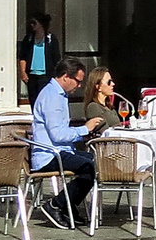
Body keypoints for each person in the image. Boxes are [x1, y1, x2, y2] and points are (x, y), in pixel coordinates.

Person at [30, 58, 107, 229]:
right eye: (78, 81)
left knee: (96, 160)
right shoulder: (52, 97)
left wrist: (83, 135)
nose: (79, 86)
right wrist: (84, 129)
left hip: (59, 150)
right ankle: (56, 204)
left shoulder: (58, 94)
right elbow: (58, 135)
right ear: (65, 77)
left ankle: (68, 206)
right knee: (88, 166)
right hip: (48, 155)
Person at [19, 16, 61, 104]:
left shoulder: (50, 39)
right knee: (33, 98)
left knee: (44, 98)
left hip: (46, 75)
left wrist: (56, 75)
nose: (32, 25)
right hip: (31, 75)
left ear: (41, 25)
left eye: (34, 23)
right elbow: (23, 56)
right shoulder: (29, 38)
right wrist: (23, 72)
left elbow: (56, 58)